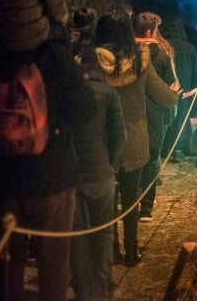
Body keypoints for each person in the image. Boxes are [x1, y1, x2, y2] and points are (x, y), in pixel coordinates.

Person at [0, 32, 97, 301]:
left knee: (7, 268)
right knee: (54, 267)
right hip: (51, 177)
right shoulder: (53, 52)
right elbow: (84, 110)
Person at [94, 13, 180, 267]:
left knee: (108, 199)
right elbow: (163, 95)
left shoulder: (95, 61)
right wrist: (174, 96)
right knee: (131, 198)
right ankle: (132, 251)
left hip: (104, 141)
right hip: (133, 138)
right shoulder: (141, 60)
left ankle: (111, 250)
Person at [70, 47, 126, 301]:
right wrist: (111, 164)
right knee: (104, 232)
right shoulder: (109, 94)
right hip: (102, 173)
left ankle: (83, 290)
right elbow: (119, 135)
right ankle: (101, 287)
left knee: (78, 234)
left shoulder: (68, 93)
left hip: (73, 176)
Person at [133, 12, 178, 223]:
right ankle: (146, 209)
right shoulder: (161, 56)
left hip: (131, 115)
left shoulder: (126, 55)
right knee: (151, 160)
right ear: (150, 32)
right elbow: (171, 86)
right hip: (154, 116)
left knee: (131, 160)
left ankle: (129, 202)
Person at [161, 18, 197, 160]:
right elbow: (196, 71)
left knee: (167, 118)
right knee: (181, 119)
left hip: (166, 88)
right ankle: (177, 149)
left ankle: (164, 150)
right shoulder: (190, 48)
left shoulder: (163, 46)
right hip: (184, 91)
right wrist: (196, 88)